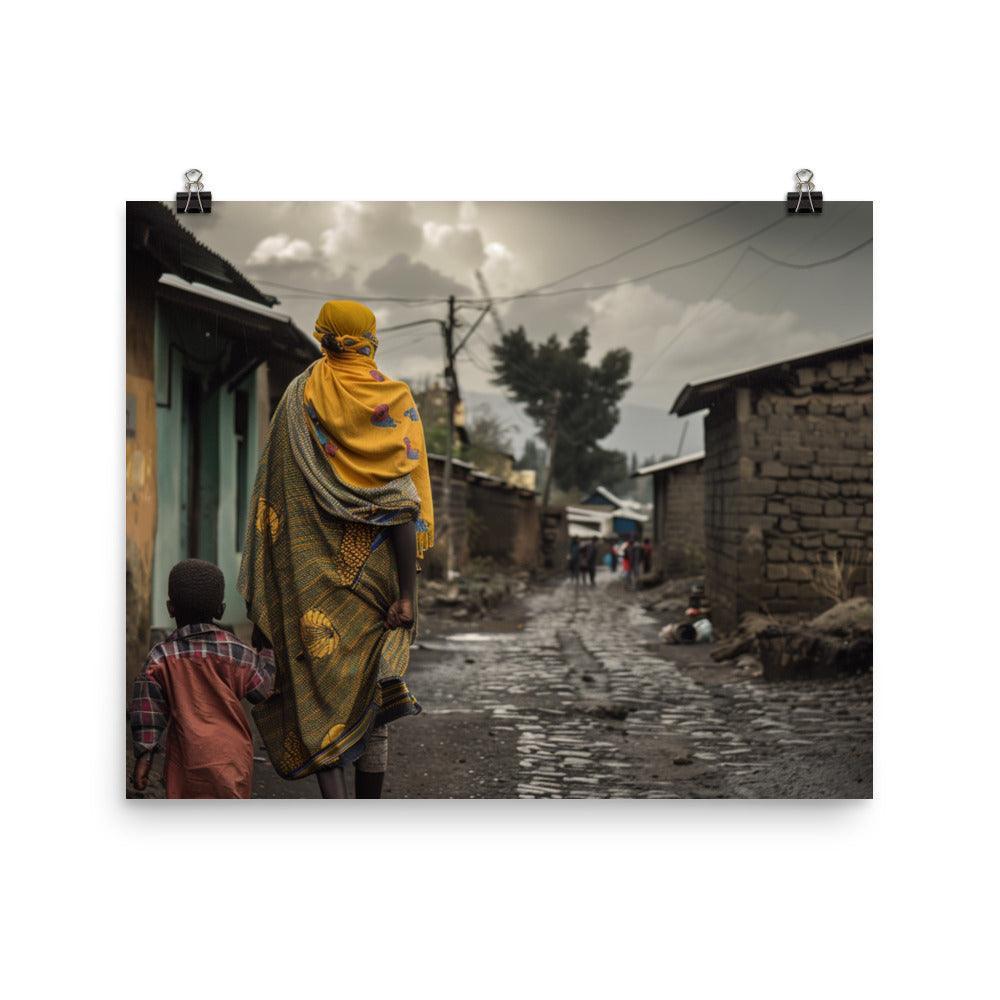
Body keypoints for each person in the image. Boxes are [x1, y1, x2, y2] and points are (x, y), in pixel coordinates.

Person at [239, 301, 434, 799]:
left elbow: (273, 500)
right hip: (381, 585)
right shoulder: (394, 400)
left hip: (310, 586)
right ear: (370, 337)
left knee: (319, 700)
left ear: (323, 335)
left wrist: (267, 609)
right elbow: (402, 506)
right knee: (373, 698)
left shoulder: (297, 398)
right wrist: (408, 597)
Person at [130, 559, 275, 798]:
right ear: (221, 610)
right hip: (233, 761)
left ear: (170, 608)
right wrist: (268, 650)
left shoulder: (161, 657)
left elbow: (147, 712)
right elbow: (263, 690)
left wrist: (144, 758)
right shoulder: (237, 652)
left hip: (185, 764)